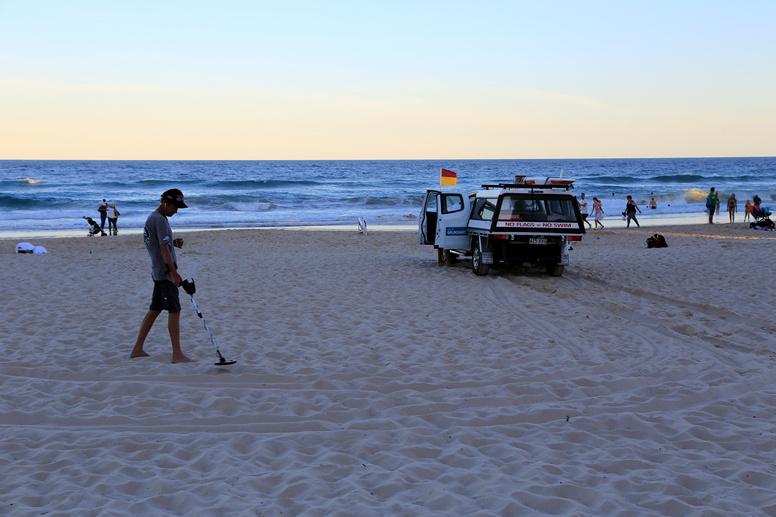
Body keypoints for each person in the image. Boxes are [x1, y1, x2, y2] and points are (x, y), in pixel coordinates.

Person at [131, 189, 194, 364]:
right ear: (165, 203)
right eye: (175, 207)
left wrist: (173, 243)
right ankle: (177, 354)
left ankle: (137, 349)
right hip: (165, 273)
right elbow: (162, 249)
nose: (177, 211)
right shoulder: (158, 219)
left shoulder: (156, 218)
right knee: (175, 310)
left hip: (158, 271)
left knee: (155, 309)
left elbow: (158, 244)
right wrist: (174, 273)